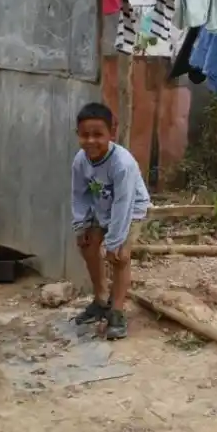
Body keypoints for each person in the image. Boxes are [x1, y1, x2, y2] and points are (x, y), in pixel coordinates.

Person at [71, 102, 150, 340]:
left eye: (98, 135)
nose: (91, 141)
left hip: (131, 209)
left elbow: (123, 203)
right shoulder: (80, 161)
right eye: (85, 135)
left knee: (119, 257)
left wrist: (115, 241)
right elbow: (79, 194)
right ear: (78, 135)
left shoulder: (122, 164)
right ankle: (100, 300)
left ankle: (117, 311)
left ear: (111, 134)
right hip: (102, 207)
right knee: (86, 245)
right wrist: (82, 224)